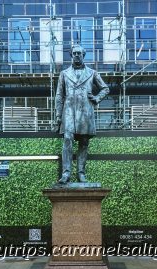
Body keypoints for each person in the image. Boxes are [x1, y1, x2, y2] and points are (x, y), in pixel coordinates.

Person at [55, 44, 109, 183]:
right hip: (69, 112)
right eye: (75, 53)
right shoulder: (64, 74)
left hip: (85, 112)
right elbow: (59, 95)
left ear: (83, 55)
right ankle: (66, 173)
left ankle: (81, 173)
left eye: (79, 53)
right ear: (71, 55)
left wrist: (96, 98)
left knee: (84, 142)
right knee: (67, 139)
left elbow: (105, 88)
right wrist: (58, 115)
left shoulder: (92, 73)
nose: (77, 55)